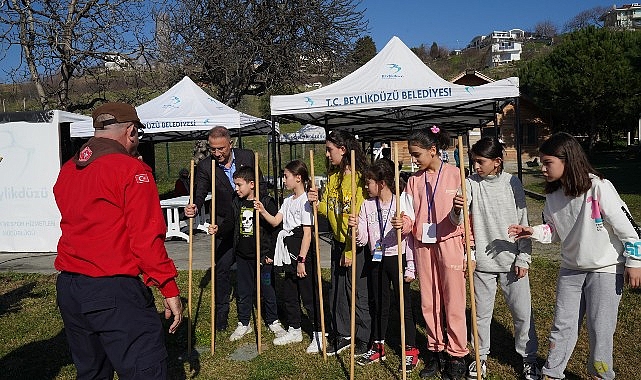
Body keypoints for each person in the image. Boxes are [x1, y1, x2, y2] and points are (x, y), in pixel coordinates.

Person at [54, 102, 183, 379]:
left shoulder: (68, 170)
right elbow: (146, 238)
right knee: (144, 369)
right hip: (112, 287)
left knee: (91, 372)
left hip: (70, 287)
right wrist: (168, 287)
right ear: (131, 131)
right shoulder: (131, 171)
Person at [508, 132, 641, 380]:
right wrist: (532, 231)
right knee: (562, 325)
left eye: (548, 163)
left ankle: (601, 374)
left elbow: (629, 229)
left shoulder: (599, 187)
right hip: (571, 269)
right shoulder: (552, 195)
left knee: (600, 329)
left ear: (567, 160)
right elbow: (555, 231)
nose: (543, 168)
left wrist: (634, 263)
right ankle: (552, 373)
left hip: (606, 268)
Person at [451, 137, 540, 380]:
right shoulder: (469, 183)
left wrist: (524, 257)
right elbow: (456, 222)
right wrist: (457, 208)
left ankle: (529, 359)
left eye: (480, 161)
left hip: (512, 262)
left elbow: (524, 222)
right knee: (480, 314)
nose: (476, 166)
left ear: (497, 162)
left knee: (522, 313)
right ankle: (479, 358)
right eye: (473, 161)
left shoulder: (513, 183)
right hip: (482, 264)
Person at [393, 125, 468, 380]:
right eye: (412, 155)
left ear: (433, 150)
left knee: (454, 300)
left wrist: (470, 251)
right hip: (424, 245)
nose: (413, 160)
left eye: (417, 155)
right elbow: (408, 214)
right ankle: (436, 351)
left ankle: (457, 354)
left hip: (450, 242)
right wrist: (403, 223)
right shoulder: (413, 181)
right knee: (430, 300)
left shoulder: (457, 175)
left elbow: (467, 217)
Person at [347, 158, 420, 373]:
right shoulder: (367, 205)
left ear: (381, 183)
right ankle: (378, 344)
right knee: (379, 303)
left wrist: (410, 265)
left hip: (396, 257)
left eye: (368, 182)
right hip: (376, 259)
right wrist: (355, 228)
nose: (365, 187)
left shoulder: (400, 202)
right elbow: (361, 238)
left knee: (403, 304)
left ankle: (410, 348)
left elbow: (410, 230)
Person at [307, 130, 370, 356]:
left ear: (343, 150)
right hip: (337, 242)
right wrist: (316, 202)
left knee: (357, 291)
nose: (327, 154)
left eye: (330, 150)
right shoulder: (333, 177)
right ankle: (343, 333)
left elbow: (362, 217)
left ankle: (364, 336)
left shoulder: (361, 179)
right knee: (337, 291)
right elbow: (328, 209)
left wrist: (351, 249)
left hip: (356, 244)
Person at [185, 126, 254, 331]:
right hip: (222, 223)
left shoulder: (248, 156)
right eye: (213, 149)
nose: (217, 153)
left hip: (247, 218)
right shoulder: (207, 166)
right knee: (222, 268)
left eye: (221, 149)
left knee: (251, 266)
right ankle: (221, 314)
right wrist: (194, 205)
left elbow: (260, 185)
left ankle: (259, 310)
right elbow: (199, 191)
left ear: (230, 144)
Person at [207, 166, 286, 341]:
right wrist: (218, 229)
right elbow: (229, 223)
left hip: (263, 255)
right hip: (243, 256)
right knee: (244, 290)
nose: (236, 189)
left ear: (251, 184)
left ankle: (273, 320)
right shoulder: (236, 201)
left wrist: (271, 253)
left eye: (239, 185)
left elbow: (275, 229)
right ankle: (244, 323)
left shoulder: (266, 202)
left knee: (267, 288)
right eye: (235, 185)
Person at [255, 160, 324, 354]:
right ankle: (295, 329)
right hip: (287, 251)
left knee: (308, 295)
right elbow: (276, 221)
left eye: (286, 176)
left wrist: (301, 260)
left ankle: (319, 333)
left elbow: (307, 233)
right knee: (290, 292)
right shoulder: (287, 201)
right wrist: (262, 211)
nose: (283, 180)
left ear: (298, 178)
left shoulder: (306, 202)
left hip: (301, 250)